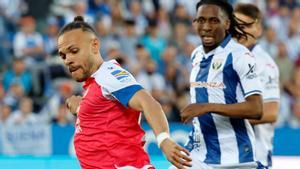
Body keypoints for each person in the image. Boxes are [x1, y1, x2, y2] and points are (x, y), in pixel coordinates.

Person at [57, 16, 192, 169]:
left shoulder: (109, 75)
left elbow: (148, 102)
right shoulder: (95, 84)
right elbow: (105, 118)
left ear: (94, 45)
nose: (67, 59)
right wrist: (80, 110)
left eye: (74, 51)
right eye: (63, 55)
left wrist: (164, 140)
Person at [178, 0, 263, 168]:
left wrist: (207, 107)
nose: (207, 27)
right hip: (199, 154)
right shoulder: (196, 55)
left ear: (227, 23)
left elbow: (256, 109)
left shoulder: (239, 55)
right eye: (201, 20)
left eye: (214, 20)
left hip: (234, 158)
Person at [234, 3, 280, 168]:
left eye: (246, 26)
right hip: (228, 154)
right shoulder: (230, 58)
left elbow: (270, 112)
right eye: (237, 25)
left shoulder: (263, 63)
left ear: (258, 29)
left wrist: (226, 117)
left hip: (254, 156)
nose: (241, 31)